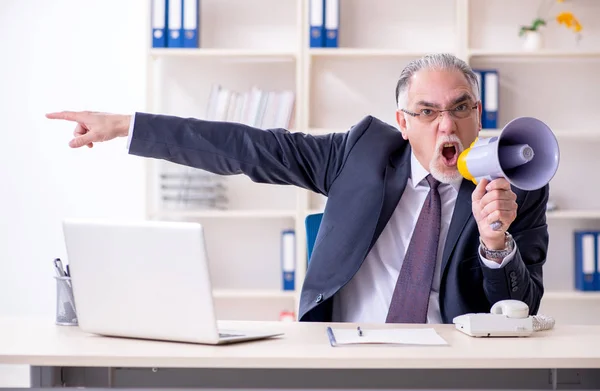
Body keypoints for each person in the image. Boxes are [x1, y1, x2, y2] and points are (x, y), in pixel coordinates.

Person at [46, 53, 548, 324]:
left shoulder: (513, 187)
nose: (447, 126)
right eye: (427, 112)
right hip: (344, 356)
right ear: (402, 122)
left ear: (478, 114)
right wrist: (124, 125)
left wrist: (495, 243)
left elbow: (523, 309)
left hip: (452, 369)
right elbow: (247, 147)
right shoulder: (359, 154)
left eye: (461, 108)